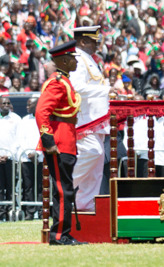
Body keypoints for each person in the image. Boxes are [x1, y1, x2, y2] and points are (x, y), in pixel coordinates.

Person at [37, 41, 83, 247]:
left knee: (65, 189)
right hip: (58, 142)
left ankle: (64, 233)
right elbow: (42, 112)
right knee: (63, 190)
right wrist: (49, 141)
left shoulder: (64, 81)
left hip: (67, 141)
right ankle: (59, 235)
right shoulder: (56, 82)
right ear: (64, 60)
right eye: (73, 58)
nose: (75, 61)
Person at [70, 26, 111, 212]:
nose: (97, 45)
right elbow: (76, 87)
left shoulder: (91, 60)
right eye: (94, 41)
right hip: (85, 120)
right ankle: (64, 186)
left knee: (96, 168)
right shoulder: (78, 59)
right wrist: (106, 90)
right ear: (83, 41)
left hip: (98, 120)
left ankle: (84, 207)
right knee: (92, 152)